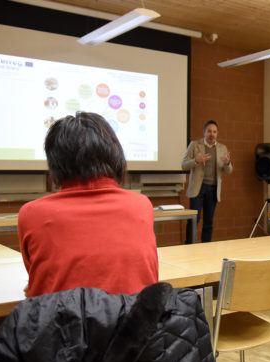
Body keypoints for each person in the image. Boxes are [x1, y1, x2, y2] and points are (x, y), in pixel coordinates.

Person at [18, 111, 158, 297]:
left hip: (62, 316)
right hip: (133, 316)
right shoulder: (141, 205)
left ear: (55, 162)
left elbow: (39, 278)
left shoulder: (32, 213)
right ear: (114, 155)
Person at [181, 120, 232, 243]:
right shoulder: (194, 145)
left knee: (208, 222)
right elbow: (183, 165)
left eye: (214, 132)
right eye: (209, 131)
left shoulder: (222, 148)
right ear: (204, 132)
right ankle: (189, 247)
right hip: (198, 188)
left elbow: (229, 170)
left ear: (217, 134)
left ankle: (206, 248)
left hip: (213, 188)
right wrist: (196, 161)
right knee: (194, 220)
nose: (212, 134)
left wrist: (227, 163)